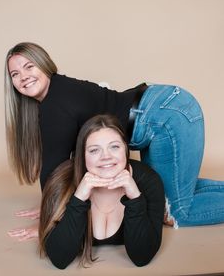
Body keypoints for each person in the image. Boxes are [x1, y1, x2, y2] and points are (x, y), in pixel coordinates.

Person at [5, 42, 224, 236]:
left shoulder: (56, 103)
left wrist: (50, 220)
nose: (23, 77)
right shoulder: (61, 89)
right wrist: (49, 205)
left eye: (29, 66)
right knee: (174, 190)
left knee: (173, 212)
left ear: (44, 64)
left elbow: (53, 168)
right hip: (164, 106)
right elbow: (62, 164)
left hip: (165, 117)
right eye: (15, 74)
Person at [38, 114, 165, 268]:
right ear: (82, 155)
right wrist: (78, 198)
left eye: (114, 147)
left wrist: (135, 197)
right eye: (94, 150)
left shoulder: (149, 181)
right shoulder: (61, 181)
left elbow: (142, 257)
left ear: (125, 149)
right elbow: (60, 259)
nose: (106, 156)